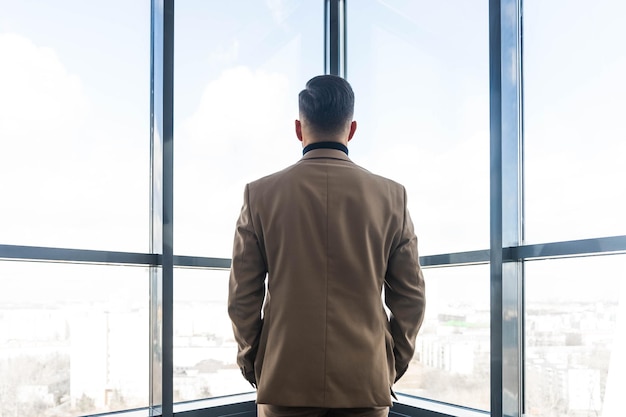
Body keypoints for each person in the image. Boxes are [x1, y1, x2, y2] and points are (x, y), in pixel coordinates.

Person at [228, 75, 426, 417]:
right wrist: (389, 365)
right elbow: (411, 298)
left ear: (298, 128)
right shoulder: (392, 196)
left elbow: (242, 297)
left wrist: (257, 364)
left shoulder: (259, 195)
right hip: (365, 382)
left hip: (284, 379)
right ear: (351, 129)